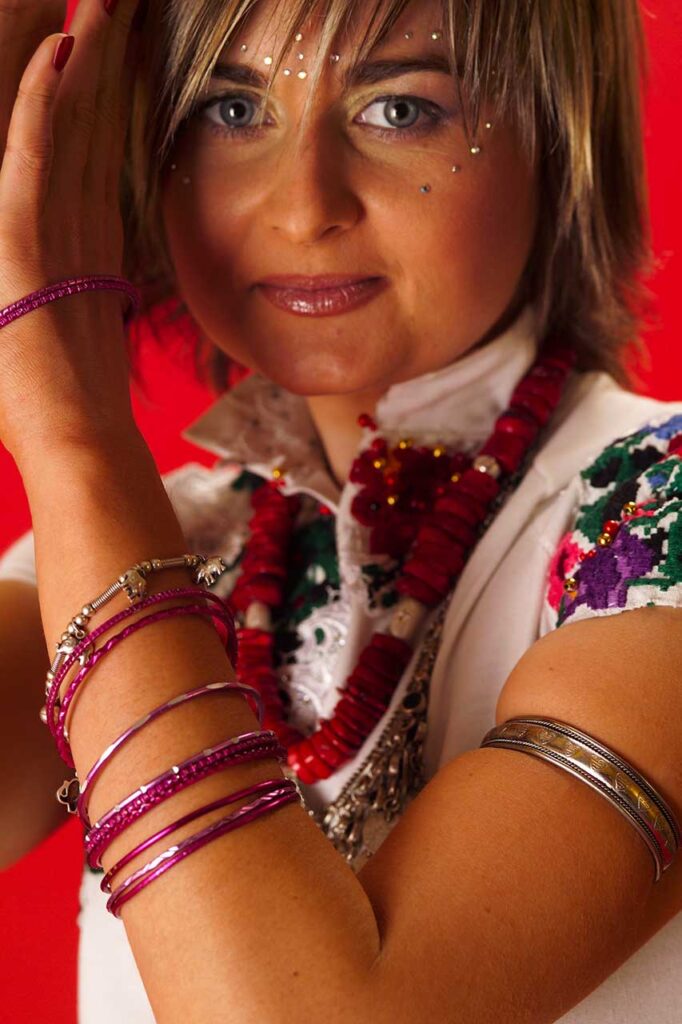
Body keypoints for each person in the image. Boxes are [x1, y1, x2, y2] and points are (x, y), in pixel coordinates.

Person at [1, 0, 682, 1021]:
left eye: (400, 109)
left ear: (561, 132)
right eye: (231, 110)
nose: (303, 206)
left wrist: (74, 437)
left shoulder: (650, 519)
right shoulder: (163, 534)